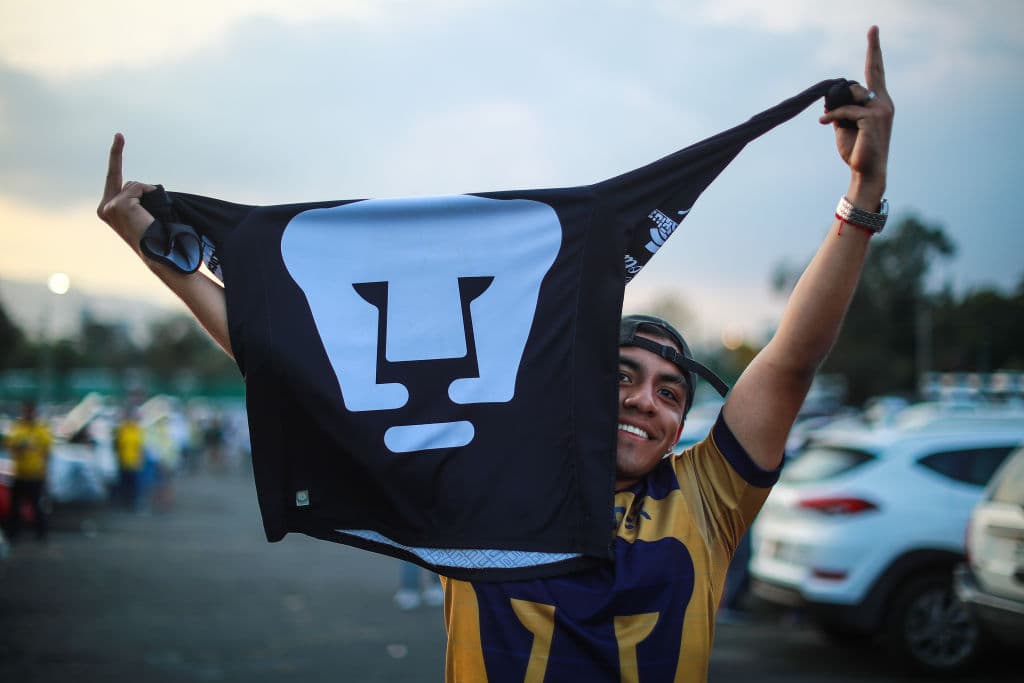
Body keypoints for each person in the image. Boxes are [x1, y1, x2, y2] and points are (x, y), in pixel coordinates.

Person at [97, 26, 892, 681]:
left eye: (671, 390)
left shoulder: (707, 494)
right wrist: (158, 252)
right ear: (580, 379)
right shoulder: (485, 466)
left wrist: (860, 197)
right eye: (624, 376)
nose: (647, 399)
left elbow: (791, 360)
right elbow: (297, 368)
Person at [3, 400, 53, 542]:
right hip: (19, 474)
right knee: (15, 507)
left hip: (36, 475)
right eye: (25, 411)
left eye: (30, 411)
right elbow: (10, 446)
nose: (28, 414)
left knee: (37, 506)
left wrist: (46, 472)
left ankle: (41, 534)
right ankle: (13, 534)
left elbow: (47, 452)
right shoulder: (17, 428)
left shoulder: (41, 430)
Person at [113, 407, 146, 511]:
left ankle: (133, 505)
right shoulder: (122, 429)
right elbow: (117, 445)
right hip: (123, 462)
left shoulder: (138, 430)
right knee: (124, 485)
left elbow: (141, 447)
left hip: (134, 462)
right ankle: (124, 504)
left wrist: (140, 459)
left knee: (134, 486)